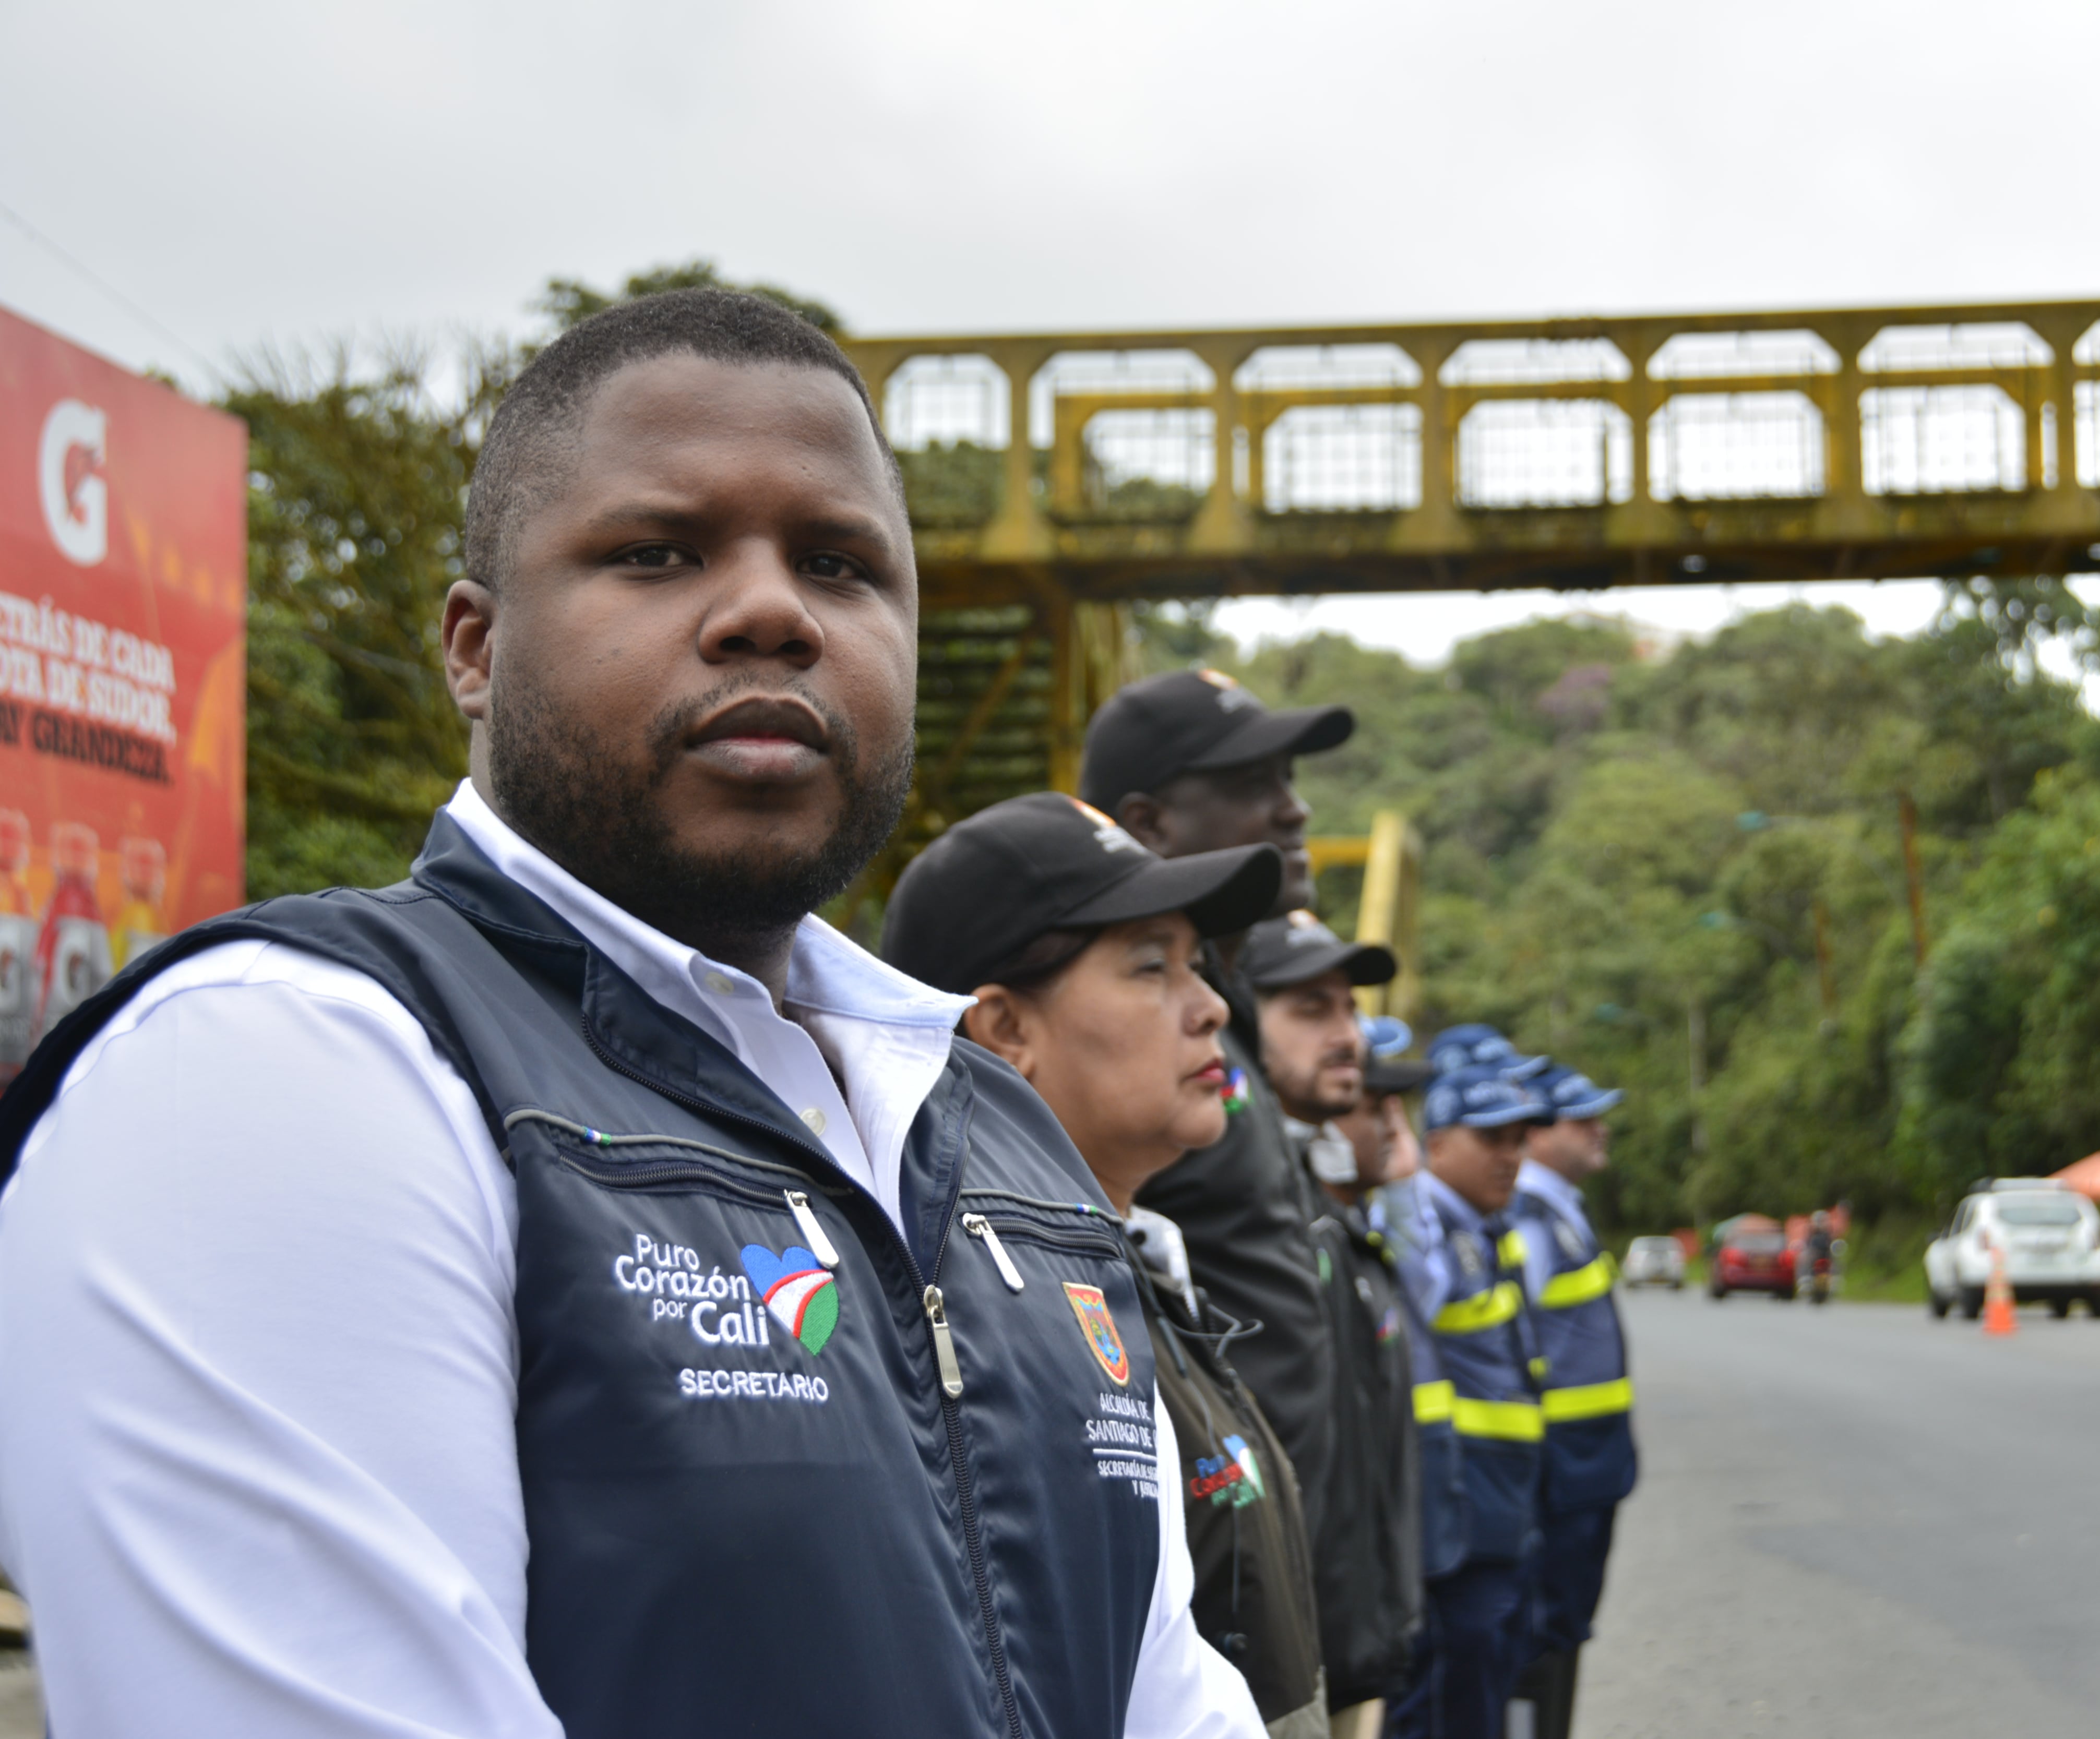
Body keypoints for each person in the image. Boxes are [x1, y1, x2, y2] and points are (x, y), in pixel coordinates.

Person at [0, 291, 1261, 1738]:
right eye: (657, 552)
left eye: (844, 566)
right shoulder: (286, 1073)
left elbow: (1172, 1694)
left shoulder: (1001, 1139)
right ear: (473, 649)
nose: (774, 609)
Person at [884, 793, 1323, 1738]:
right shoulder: (980, 1326)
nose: (1211, 1007)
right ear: (1004, 1029)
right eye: (1149, 965)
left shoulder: (1139, 1265)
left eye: (1197, 965)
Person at [1083, 672, 1354, 1595]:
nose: (1295, 805)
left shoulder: (1223, 1020)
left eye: (1290, 776)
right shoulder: (1120, 1039)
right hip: (1211, 1591)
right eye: (1252, 783)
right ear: (1148, 822)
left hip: (1289, 1567)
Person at [1238, 914, 1421, 1734]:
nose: (1347, 1036)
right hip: (1279, 1668)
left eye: (1349, 1009)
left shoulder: (1327, 1216)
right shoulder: (1237, 1224)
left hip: (1355, 1642)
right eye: (1311, 1010)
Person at [1383, 1059, 1550, 1739]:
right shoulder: (1424, 1225)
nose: (1511, 1157)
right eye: (1492, 1140)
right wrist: (1398, 1185)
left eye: (1519, 1140)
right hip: (1459, 1526)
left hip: (1499, 1514)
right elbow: (1410, 1279)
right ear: (1438, 1143)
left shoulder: (1486, 1228)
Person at [1508, 1062, 1638, 1739]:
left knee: (1562, 1631)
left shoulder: (1556, 1209)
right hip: (1557, 1473)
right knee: (1542, 1635)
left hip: (1583, 1471)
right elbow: (1512, 1345)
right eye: (1581, 1117)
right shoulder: (1527, 1217)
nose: (1599, 1128)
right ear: (1535, 1134)